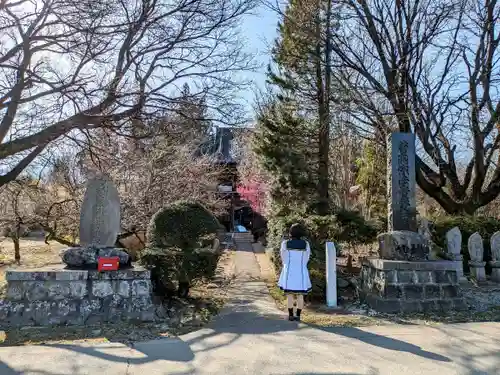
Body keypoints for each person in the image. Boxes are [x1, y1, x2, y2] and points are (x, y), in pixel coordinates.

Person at [277, 223, 312, 321]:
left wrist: (287, 264)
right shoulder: (306, 244)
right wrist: (302, 264)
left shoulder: (285, 243)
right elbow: (307, 257)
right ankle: (298, 315)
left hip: (289, 271)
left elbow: (283, 257)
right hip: (301, 271)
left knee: (290, 295)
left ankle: (291, 315)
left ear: (291, 232)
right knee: (301, 295)